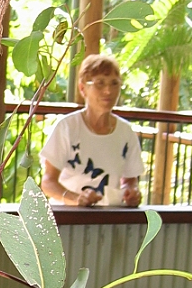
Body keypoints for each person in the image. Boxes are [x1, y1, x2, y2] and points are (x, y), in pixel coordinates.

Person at [40, 55, 144, 207]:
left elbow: (129, 180)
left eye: (114, 83)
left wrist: (132, 192)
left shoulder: (126, 132)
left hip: (108, 218)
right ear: (83, 88)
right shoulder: (67, 127)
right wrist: (76, 199)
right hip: (66, 217)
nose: (108, 91)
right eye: (100, 83)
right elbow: (48, 183)